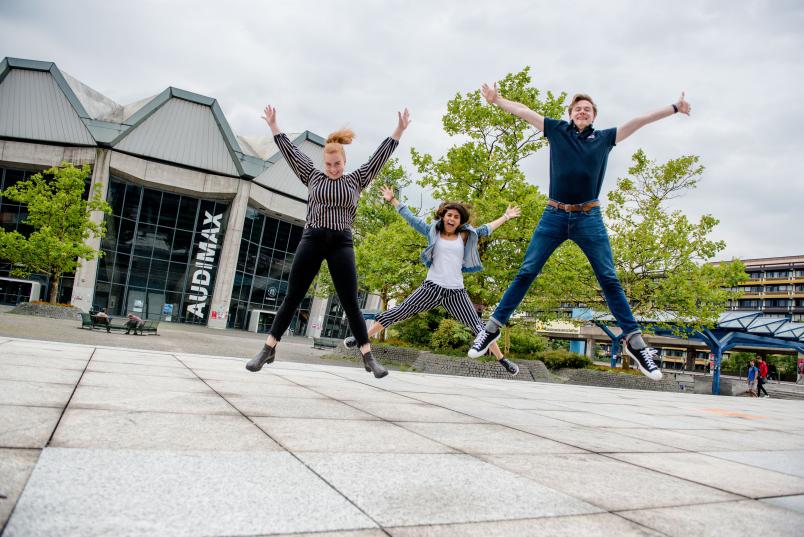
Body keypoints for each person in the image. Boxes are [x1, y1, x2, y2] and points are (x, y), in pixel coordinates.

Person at [468, 82, 692, 381]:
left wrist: (674, 108)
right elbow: (525, 112)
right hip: (554, 215)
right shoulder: (557, 131)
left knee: (609, 278)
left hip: (589, 216)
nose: (582, 112)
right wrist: (497, 101)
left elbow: (639, 121)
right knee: (527, 271)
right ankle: (491, 329)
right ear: (570, 114)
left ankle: (636, 344)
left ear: (593, 115)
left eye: (587, 109)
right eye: (577, 109)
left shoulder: (604, 138)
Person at [246, 105, 411, 378]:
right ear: (324, 163)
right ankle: (268, 348)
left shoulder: (357, 180)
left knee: (350, 301)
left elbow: (379, 158)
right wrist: (274, 126)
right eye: (329, 164)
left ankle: (368, 357)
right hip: (312, 239)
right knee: (293, 296)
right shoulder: (312, 176)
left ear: (344, 162)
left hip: (341, 244)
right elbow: (290, 152)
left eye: (337, 164)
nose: (333, 169)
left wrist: (399, 131)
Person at [344, 185, 521, 375]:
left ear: (460, 221)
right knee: (399, 311)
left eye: (456, 217)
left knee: (480, 329)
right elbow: (411, 219)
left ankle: (502, 360)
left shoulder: (465, 235)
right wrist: (392, 200)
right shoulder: (432, 232)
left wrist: (506, 216)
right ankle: (361, 338)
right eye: (449, 215)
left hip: (456, 292)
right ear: (443, 217)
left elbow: (486, 229)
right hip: (431, 288)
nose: (452, 219)